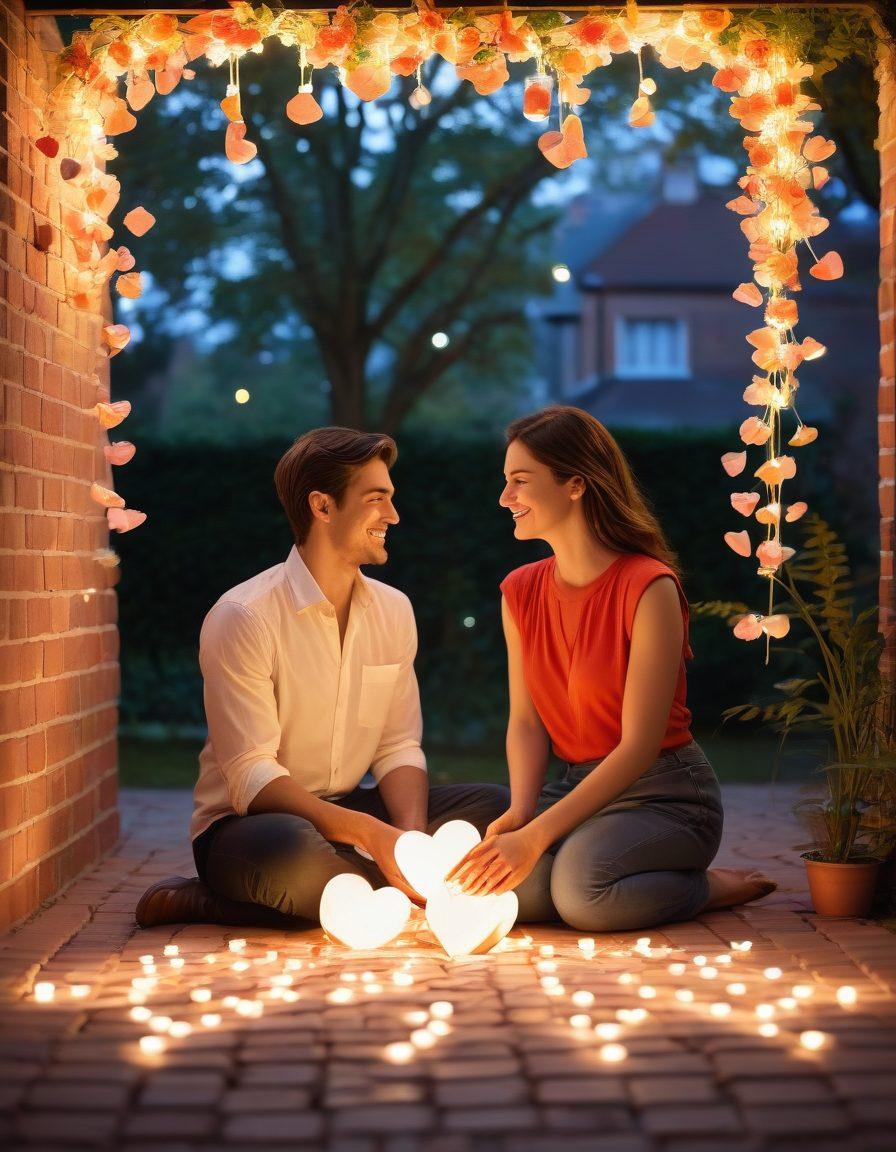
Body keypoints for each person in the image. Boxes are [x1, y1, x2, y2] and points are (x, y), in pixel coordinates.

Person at [136, 427, 508, 928]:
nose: (393, 515)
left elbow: (398, 745)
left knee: (494, 809)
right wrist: (372, 836)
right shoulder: (243, 616)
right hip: (253, 825)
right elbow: (251, 776)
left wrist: (410, 842)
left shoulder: (394, 611)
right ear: (323, 506)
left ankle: (358, 893)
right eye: (376, 499)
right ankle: (209, 899)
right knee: (296, 860)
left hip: (350, 811)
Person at [448, 405, 776, 932]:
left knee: (583, 895)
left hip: (665, 793)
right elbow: (526, 723)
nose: (505, 497)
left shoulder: (649, 587)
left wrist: (536, 837)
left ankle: (705, 887)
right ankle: (587, 861)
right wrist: (521, 815)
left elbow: (640, 745)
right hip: (577, 787)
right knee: (511, 891)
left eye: (520, 481)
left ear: (576, 484)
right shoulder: (519, 591)